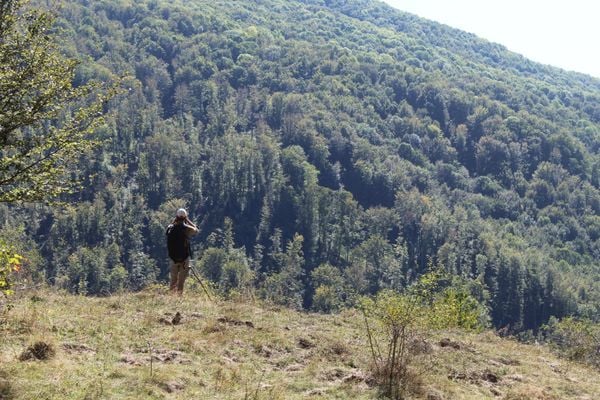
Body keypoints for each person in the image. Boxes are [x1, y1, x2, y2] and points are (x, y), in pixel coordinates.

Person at [166, 208, 198, 294]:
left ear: (176, 217)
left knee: (173, 281)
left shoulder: (170, 228)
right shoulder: (187, 229)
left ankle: (171, 299)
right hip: (184, 259)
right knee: (181, 282)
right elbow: (196, 229)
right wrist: (188, 220)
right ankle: (179, 298)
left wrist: (174, 220)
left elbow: (170, 227)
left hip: (173, 258)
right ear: (185, 217)